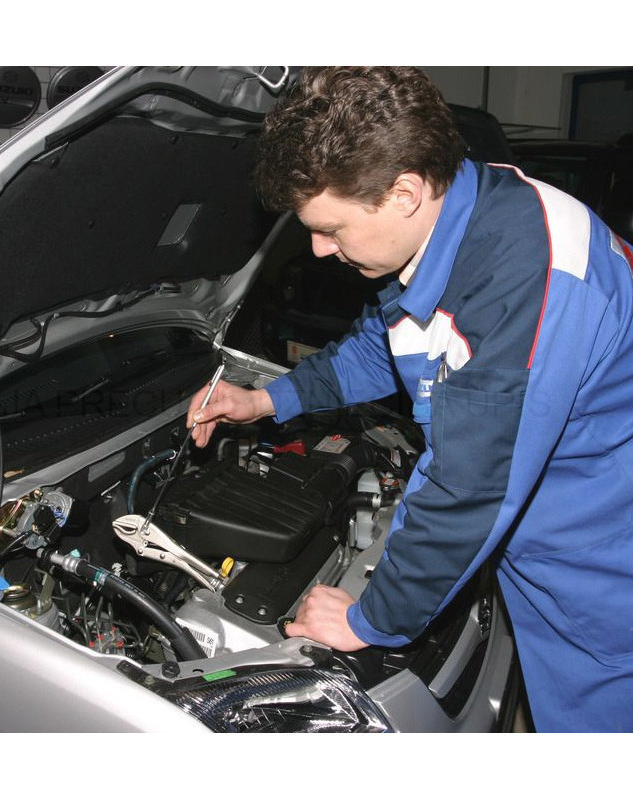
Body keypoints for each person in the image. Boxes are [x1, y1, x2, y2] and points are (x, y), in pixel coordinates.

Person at [186, 67, 633, 732]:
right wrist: (262, 402)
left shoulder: (522, 276)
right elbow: (381, 348)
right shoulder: (457, 223)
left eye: (331, 228)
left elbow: (468, 484)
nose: (319, 249)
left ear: (404, 193)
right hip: (553, 534)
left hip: (603, 565)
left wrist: (371, 620)